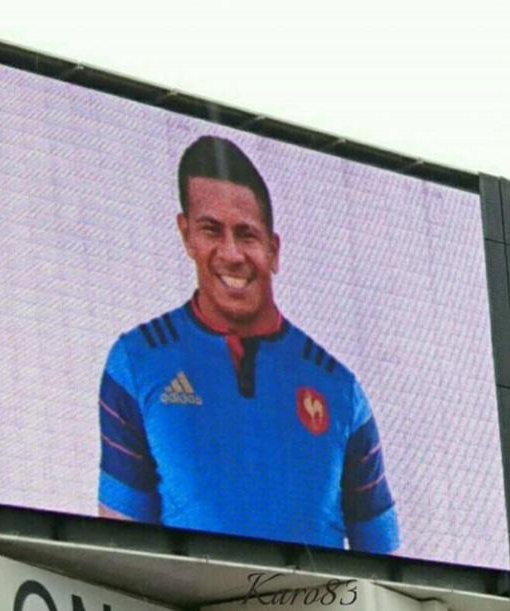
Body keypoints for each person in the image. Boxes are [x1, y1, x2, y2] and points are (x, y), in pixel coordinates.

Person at [97, 135, 399, 553]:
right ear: (186, 235)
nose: (232, 253)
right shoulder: (136, 363)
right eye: (211, 230)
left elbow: (384, 563)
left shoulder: (340, 389)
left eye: (247, 234)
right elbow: (119, 552)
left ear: (273, 250)